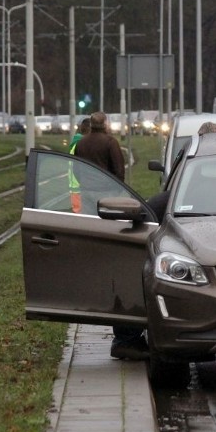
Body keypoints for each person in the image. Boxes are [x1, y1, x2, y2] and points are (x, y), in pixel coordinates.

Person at [74, 111, 147, 360]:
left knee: (91, 227)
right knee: (109, 229)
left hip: (87, 193)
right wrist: (119, 191)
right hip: (107, 193)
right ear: (105, 124)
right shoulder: (110, 143)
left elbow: (76, 168)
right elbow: (119, 170)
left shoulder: (81, 144)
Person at [68, 118, 90, 213]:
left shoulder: (76, 142)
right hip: (80, 184)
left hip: (75, 185)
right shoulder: (82, 144)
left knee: (78, 213)